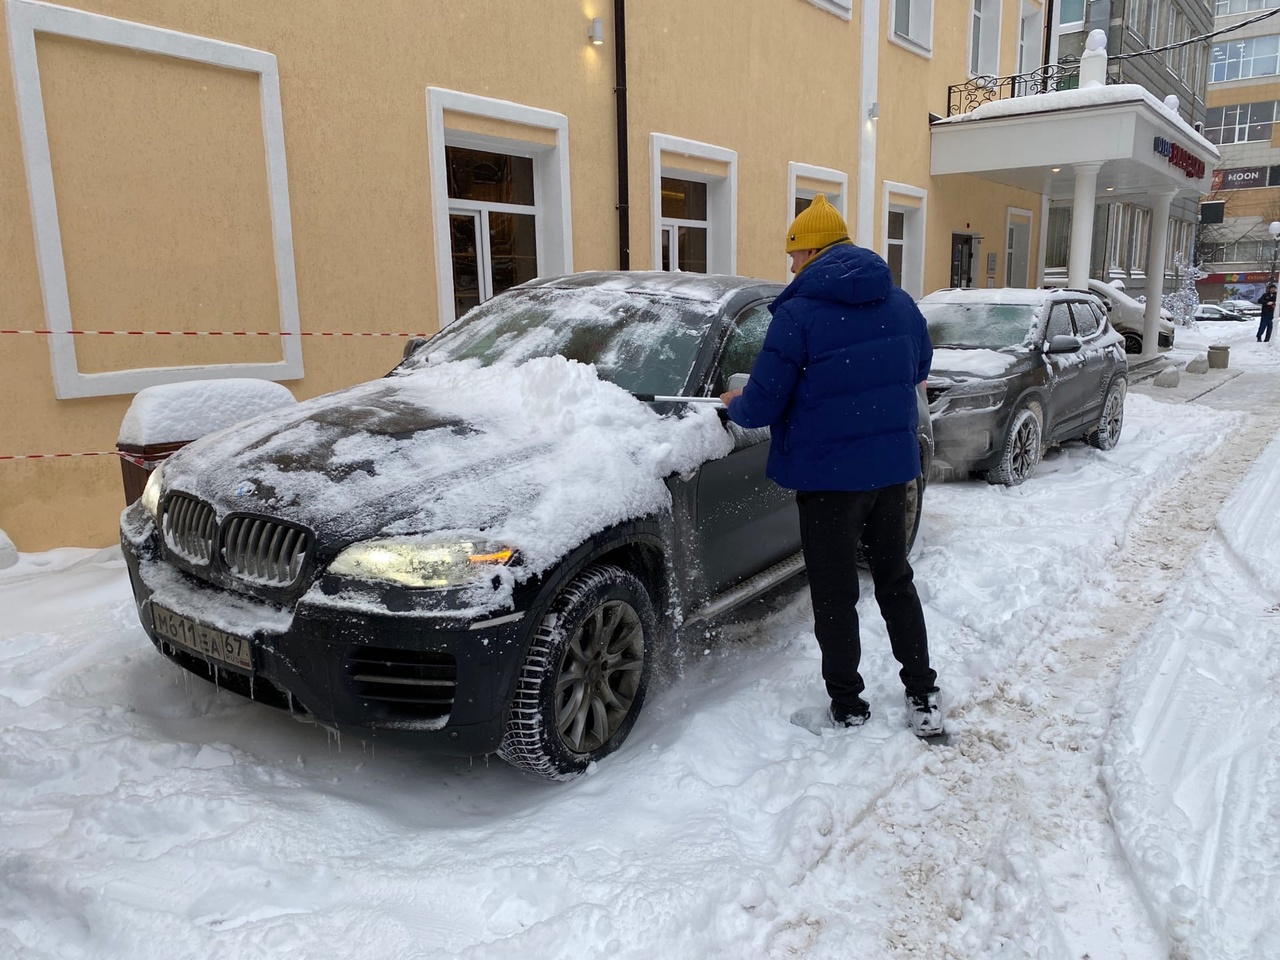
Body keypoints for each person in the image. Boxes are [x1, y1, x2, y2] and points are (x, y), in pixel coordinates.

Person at [718, 195, 942, 738]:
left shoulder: (799, 315)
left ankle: (849, 705)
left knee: (835, 591)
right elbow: (919, 366)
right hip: (891, 471)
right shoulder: (900, 303)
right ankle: (922, 693)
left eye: (794, 255)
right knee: (894, 579)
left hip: (826, 480)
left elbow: (765, 402)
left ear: (813, 251)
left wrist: (734, 405)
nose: (790, 266)